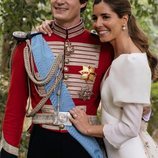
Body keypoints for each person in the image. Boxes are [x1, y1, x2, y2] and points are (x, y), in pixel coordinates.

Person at [0, 0, 113, 158]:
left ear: (83, 2)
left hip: (85, 146)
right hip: (41, 144)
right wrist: (8, 152)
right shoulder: (29, 46)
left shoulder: (106, 49)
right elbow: (15, 107)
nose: (59, 1)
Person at [68, 0, 158, 158]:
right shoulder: (116, 55)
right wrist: (50, 26)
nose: (98, 24)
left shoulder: (133, 62)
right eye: (95, 18)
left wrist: (88, 128)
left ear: (124, 19)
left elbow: (130, 128)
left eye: (105, 17)